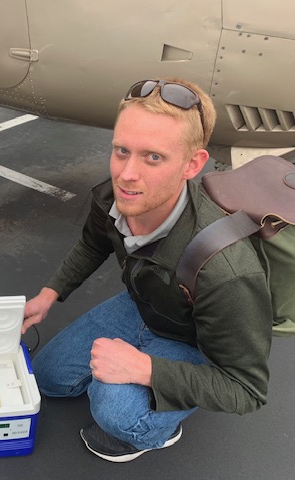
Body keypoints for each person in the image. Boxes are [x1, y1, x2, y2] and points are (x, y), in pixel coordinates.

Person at [22, 78, 272, 462]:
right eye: (122, 150)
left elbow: (246, 390)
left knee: (115, 414)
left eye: (153, 157)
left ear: (193, 164)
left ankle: (153, 429)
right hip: (147, 304)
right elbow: (93, 242)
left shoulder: (227, 272)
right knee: (47, 379)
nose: (126, 175)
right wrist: (50, 293)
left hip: (194, 337)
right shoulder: (114, 197)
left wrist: (147, 370)